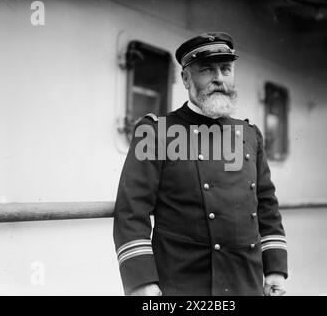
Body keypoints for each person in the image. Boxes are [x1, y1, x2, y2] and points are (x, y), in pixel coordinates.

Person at [113, 32, 288, 296]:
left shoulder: (249, 135)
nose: (219, 78)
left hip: (246, 282)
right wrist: (142, 282)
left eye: (226, 69)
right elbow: (131, 211)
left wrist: (274, 269)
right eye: (207, 69)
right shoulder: (156, 132)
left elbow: (267, 207)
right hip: (184, 285)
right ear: (185, 78)